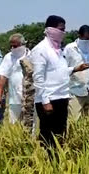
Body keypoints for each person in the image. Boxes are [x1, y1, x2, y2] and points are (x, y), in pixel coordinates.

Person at [31, 15, 71, 147]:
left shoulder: (59, 49)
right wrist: (45, 101)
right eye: (61, 29)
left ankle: (57, 163)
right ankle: (47, 164)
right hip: (49, 99)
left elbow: (59, 71)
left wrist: (74, 69)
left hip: (62, 96)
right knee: (49, 137)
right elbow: (38, 78)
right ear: (50, 29)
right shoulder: (41, 49)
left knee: (60, 134)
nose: (63, 32)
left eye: (64, 29)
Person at [0, 33, 32, 124]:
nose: (13, 48)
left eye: (15, 46)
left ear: (23, 44)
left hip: (31, 97)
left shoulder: (32, 55)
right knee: (14, 124)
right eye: (11, 46)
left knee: (31, 124)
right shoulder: (9, 57)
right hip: (15, 98)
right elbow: (2, 75)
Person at [64, 25, 89, 120]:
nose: (87, 41)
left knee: (88, 120)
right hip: (74, 90)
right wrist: (76, 68)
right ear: (79, 35)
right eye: (85, 38)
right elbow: (63, 69)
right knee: (74, 120)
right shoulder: (70, 48)